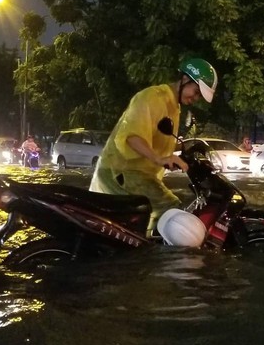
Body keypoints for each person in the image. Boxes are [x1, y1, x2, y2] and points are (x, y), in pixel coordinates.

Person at [89, 57, 218, 235]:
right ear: (185, 80)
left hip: (137, 175)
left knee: (149, 223)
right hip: (121, 172)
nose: (195, 98)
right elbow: (132, 137)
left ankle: (148, 252)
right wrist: (159, 158)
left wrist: (185, 152)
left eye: (198, 96)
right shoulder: (152, 97)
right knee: (170, 208)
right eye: (195, 92)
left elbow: (160, 142)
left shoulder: (174, 107)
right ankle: (158, 260)